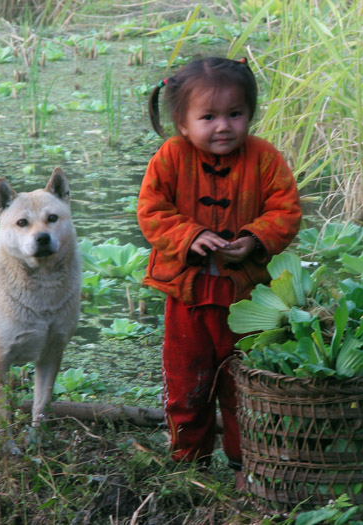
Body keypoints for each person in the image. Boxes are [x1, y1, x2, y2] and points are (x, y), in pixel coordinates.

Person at [136, 57, 302, 488]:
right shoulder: (170, 157)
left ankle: (245, 466)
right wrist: (190, 235)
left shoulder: (264, 158)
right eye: (208, 117)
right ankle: (188, 466)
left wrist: (256, 237)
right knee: (187, 384)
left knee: (243, 386)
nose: (223, 126)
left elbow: (285, 210)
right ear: (183, 123)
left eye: (235, 114)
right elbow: (152, 212)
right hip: (188, 297)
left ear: (250, 114)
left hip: (247, 300)